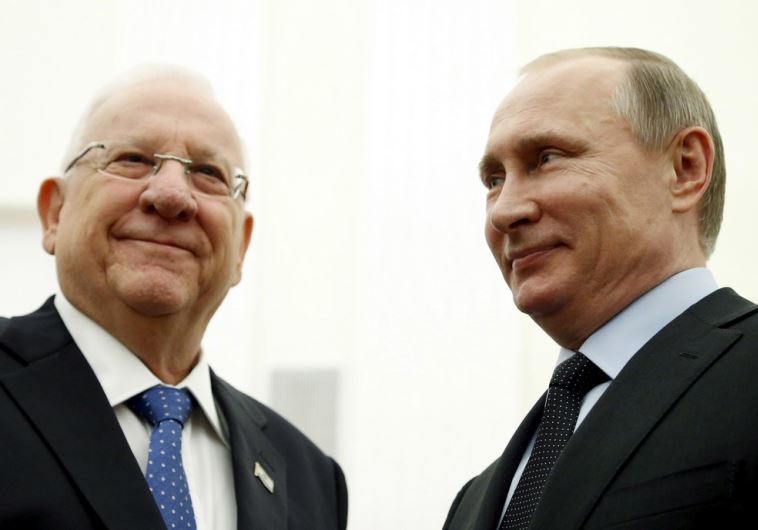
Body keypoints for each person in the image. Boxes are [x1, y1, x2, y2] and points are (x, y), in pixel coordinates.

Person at [0, 67, 347, 530]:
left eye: (208, 173)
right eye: (132, 159)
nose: (171, 195)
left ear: (241, 247)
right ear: (55, 214)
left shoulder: (310, 478)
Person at [443, 47, 758, 529]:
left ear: (685, 169)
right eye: (494, 179)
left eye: (547, 158)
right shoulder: (475, 500)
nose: (504, 211)